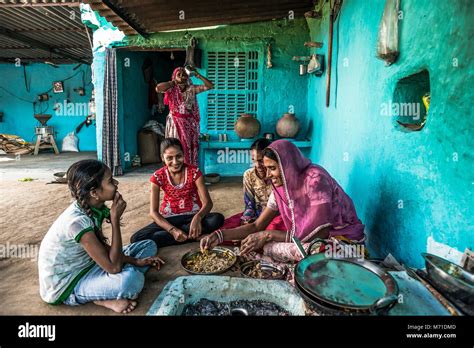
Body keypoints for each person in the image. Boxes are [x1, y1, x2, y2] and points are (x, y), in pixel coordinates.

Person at [200, 139, 365, 262]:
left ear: (288, 165)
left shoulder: (315, 180)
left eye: (272, 168)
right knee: (265, 247)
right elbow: (257, 225)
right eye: (266, 169)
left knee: (308, 251)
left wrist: (268, 235)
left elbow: (319, 234)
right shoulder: (281, 188)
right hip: (310, 241)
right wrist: (219, 235)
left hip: (340, 240)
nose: (268, 175)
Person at [38, 160, 164, 314]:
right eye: (110, 181)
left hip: (90, 263)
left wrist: (135, 261)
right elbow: (114, 267)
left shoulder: (92, 207)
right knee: (131, 281)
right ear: (94, 193)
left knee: (148, 245)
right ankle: (98, 298)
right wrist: (115, 220)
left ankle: (113, 280)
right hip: (68, 283)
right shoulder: (77, 223)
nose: (116, 183)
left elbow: (100, 247)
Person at [130, 138, 224, 248]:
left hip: (192, 216)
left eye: (178, 156)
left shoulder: (195, 172)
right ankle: (192, 236)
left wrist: (197, 218)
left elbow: (208, 203)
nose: (175, 162)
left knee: (217, 219)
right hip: (169, 219)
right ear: (162, 158)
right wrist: (173, 230)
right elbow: (153, 213)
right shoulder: (157, 177)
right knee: (137, 238)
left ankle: (183, 235)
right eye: (169, 158)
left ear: (183, 155)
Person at [221, 138, 285, 232]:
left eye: (261, 160)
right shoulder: (248, 175)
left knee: (274, 229)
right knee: (231, 226)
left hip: (277, 215)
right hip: (258, 215)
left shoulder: (277, 175)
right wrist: (246, 219)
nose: (257, 165)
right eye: (254, 160)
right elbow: (249, 205)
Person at [155, 66, 214, 166]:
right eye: (179, 75)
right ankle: (174, 169)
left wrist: (198, 75)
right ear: (174, 77)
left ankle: (188, 170)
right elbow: (158, 88)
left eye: (184, 75)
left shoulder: (192, 89)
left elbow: (210, 86)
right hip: (175, 123)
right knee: (176, 147)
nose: (182, 77)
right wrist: (174, 82)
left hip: (188, 124)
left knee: (188, 147)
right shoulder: (171, 89)